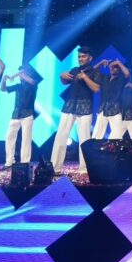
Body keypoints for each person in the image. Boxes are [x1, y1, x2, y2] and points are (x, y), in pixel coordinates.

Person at [51, 46, 101, 174]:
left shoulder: (94, 72)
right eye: (79, 56)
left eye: (83, 56)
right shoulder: (74, 70)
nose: (80, 59)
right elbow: (64, 81)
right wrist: (61, 76)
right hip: (70, 106)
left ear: (90, 58)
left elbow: (96, 89)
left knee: (84, 139)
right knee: (61, 136)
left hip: (85, 108)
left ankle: (84, 169)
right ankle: (55, 167)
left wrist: (84, 77)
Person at [0, 64, 43, 169]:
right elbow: (3, 89)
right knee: (9, 137)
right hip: (15, 114)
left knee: (26, 139)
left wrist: (20, 74)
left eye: (23, 72)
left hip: (27, 114)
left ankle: (25, 163)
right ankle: (9, 162)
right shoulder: (18, 86)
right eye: (20, 72)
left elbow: (32, 82)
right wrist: (4, 80)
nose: (20, 74)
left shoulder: (33, 84)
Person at [91, 59, 127, 140]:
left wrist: (118, 63)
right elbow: (92, 72)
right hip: (102, 109)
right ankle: (95, 148)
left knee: (117, 136)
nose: (112, 68)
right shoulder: (104, 77)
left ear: (119, 69)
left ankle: (111, 148)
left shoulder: (121, 79)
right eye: (111, 67)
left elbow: (127, 74)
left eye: (115, 67)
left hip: (115, 110)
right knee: (96, 135)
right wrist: (100, 62)